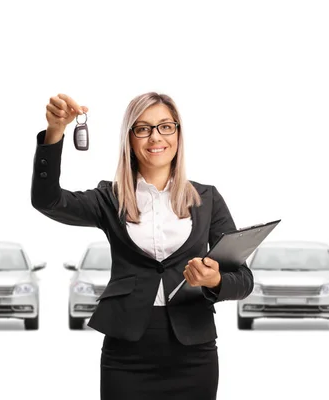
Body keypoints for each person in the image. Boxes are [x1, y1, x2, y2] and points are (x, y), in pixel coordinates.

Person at [31, 92, 254, 400]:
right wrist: (55, 132)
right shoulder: (110, 198)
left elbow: (243, 281)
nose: (155, 137)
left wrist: (213, 280)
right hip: (127, 352)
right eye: (143, 128)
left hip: (193, 352)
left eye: (165, 126)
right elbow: (47, 200)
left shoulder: (207, 199)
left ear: (177, 133)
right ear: (130, 138)